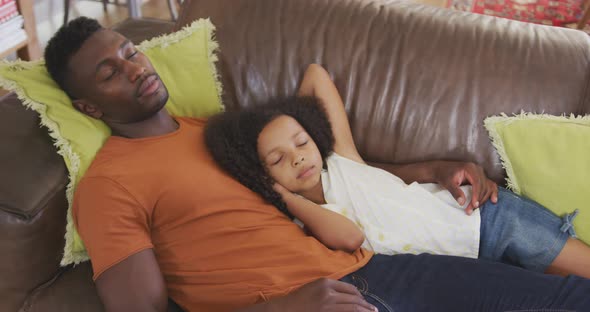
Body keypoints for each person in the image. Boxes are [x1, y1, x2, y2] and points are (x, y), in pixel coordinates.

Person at [44, 17, 590, 312]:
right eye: (109, 72)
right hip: (323, 296)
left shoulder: (217, 132)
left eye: (129, 52)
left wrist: (430, 168)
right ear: (88, 107)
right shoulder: (108, 184)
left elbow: (340, 169)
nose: (133, 67)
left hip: (364, 270)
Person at [204, 64, 590, 279]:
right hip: (473, 274)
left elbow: (315, 75)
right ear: (263, 175)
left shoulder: (342, 159)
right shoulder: (307, 226)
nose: (297, 158)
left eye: (302, 143)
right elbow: (351, 236)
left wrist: (284, 123)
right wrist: (284, 197)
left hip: (484, 220)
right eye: (277, 160)